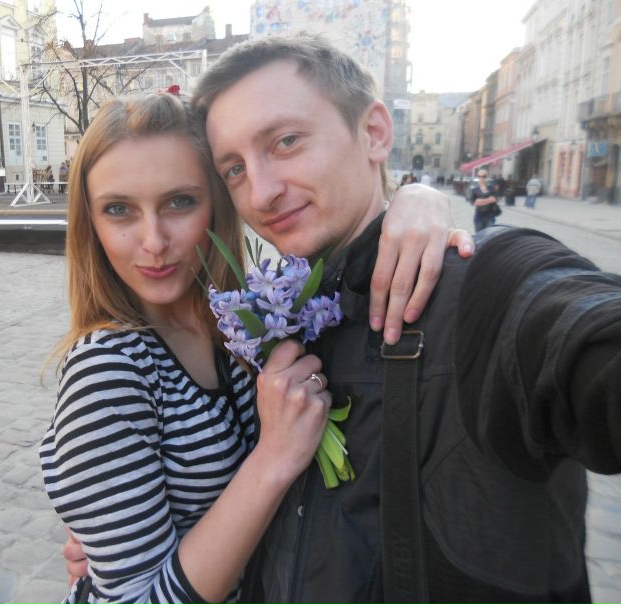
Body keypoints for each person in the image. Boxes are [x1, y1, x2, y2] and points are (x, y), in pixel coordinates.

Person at [187, 34, 620, 603]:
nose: (261, 192)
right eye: (235, 169)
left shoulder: (484, 286)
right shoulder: (283, 317)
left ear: (374, 133)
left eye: (286, 141)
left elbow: (581, 334)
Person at [47, 92, 473, 602]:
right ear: (90, 224)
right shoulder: (108, 371)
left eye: (180, 201)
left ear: (220, 202)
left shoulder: (245, 324)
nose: (154, 241)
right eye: (119, 210)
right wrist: (273, 458)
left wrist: (416, 201)